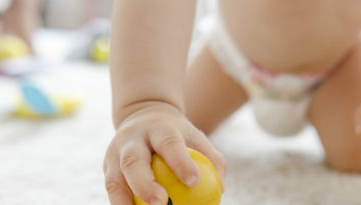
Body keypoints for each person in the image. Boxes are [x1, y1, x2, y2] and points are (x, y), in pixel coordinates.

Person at [104, 0, 361, 204]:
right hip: (231, 59)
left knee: (354, 155)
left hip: (342, 66)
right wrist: (148, 103)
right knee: (166, 141)